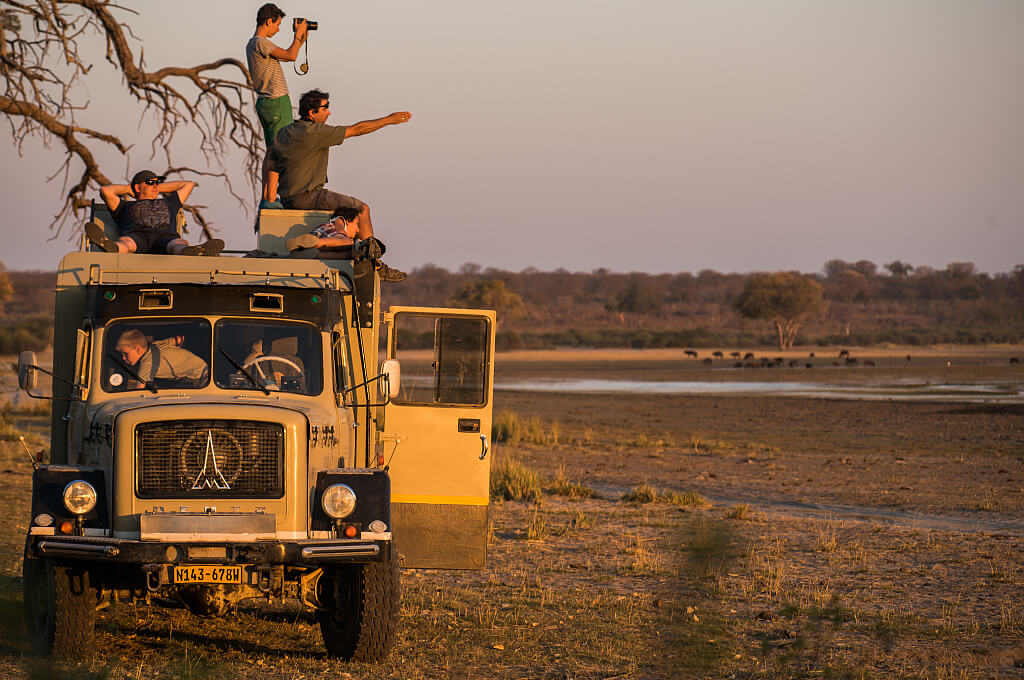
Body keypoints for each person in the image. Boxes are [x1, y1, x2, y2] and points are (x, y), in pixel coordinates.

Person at [271, 89, 411, 281]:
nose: (329, 112)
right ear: (312, 113)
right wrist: (389, 119)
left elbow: (269, 164)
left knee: (344, 220)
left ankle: (331, 248)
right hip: (308, 196)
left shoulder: (285, 132)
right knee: (361, 209)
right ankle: (374, 266)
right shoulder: (315, 132)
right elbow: (358, 129)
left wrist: (268, 198)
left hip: (287, 199)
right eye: (325, 108)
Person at [246, 3, 308, 208]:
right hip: (275, 101)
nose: (278, 29)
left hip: (267, 102)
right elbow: (291, 56)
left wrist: (300, 39)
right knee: (280, 150)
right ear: (268, 20)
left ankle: (268, 197)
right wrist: (298, 36)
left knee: (273, 149)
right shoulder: (260, 43)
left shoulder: (253, 44)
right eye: (277, 24)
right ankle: (271, 198)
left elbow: (291, 54)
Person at [88, 171, 224, 256]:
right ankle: (111, 246)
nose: (155, 186)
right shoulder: (124, 205)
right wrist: (130, 189)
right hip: (137, 236)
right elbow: (105, 191)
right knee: (126, 243)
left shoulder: (170, 202)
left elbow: (189, 184)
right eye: (150, 183)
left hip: (165, 237)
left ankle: (193, 252)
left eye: (157, 183)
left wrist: (155, 187)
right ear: (137, 187)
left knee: (178, 244)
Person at [114, 329, 208, 388]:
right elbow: (180, 339)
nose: (123, 358)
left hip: (198, 377)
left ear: (138, 349)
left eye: (125, 354)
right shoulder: (155, 344)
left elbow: (139, 390)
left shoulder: (147, 363)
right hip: (202, 366)